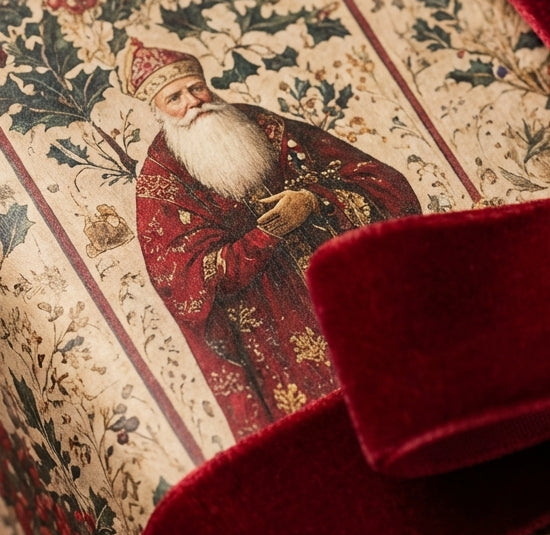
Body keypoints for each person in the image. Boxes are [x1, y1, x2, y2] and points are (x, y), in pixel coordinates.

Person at [129, 39, 420, 439]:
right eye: (175, 97)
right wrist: (267, 234)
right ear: (157, 109)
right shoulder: (161, 179)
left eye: (196, 88)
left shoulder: (262, 125)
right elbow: (185, 283)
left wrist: (313, 201)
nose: (193, 102)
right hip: (277, 333)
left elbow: (379, 181)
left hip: (349, 293)